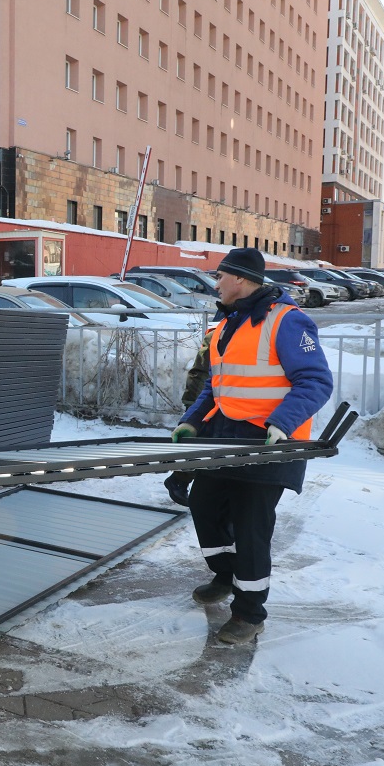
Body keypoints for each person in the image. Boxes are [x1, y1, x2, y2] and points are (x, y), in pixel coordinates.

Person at [171, 248, 333, 644]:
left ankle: (249, 612)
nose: (216, 284)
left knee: (250, 527)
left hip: (270, 444)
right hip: (225, 436)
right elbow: (217, 384)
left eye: (221, 277)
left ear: (240, 280)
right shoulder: (228, 322)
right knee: (204, 505)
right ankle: (226, 575)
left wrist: (283, 421)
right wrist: (193, 420)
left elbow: (315, 381)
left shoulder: (287, 322)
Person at [163, 328, 214, 507]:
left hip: (205, 400)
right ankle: (180, 479)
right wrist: (196, 407)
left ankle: (180, 480)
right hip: (204, 401)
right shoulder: (220, 334)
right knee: (202, 445)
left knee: (206, 446)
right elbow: (202, 373)